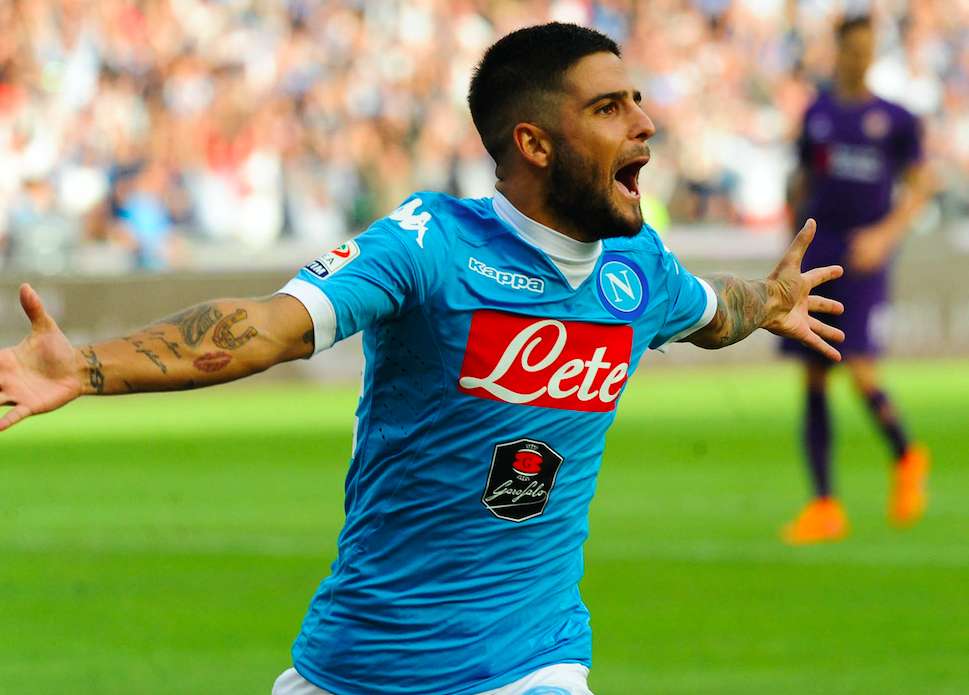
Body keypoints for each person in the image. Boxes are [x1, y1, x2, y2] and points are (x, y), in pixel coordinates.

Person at [0, 24, 844, 695]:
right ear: (535, 143)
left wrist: (769, 301)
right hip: (360, 662)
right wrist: (86, 367)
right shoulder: (429, 244)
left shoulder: (638, 268)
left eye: (637, 101)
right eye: (607, 107)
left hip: (534, 662)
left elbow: (711, 312)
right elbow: (268, 326)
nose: (644, 123)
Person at [780, 16, 933, 546]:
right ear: (839, 51)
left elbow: (921, 184)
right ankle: (825, 504)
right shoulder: (818, 113)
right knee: (814, 375)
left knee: (861, 368)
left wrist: (886, 235)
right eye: (852, 49)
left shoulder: (895, 120)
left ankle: (906, 454)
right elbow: (803, 178)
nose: (859, 58)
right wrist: (792, 235)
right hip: (818, 251)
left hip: (863, 256)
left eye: (868, 49)